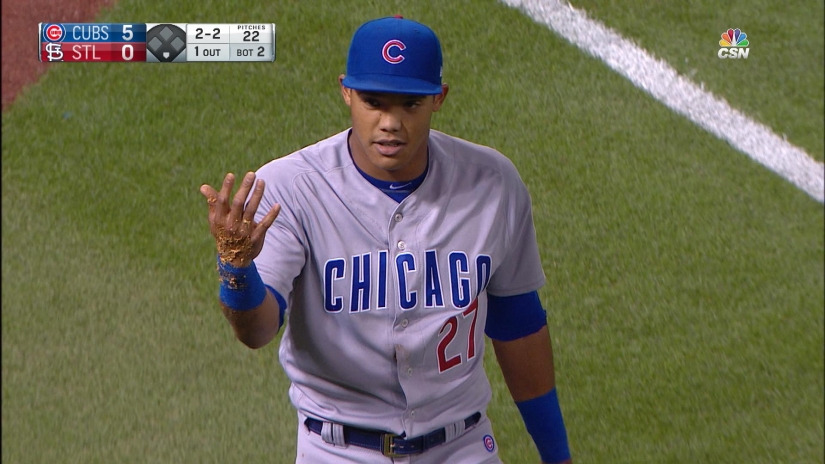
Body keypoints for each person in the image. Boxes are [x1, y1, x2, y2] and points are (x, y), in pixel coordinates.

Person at [199, 16, 572, 464]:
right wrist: (235, 269)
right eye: (373, 102)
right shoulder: (290, 188)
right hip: (337, 451)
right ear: (346, 92)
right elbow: (257, 331)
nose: (390, 123)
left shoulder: (492, 184)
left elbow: (518, 325)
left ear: (439, 99)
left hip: (461, 447)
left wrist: (558, 457)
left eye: (409, 104)